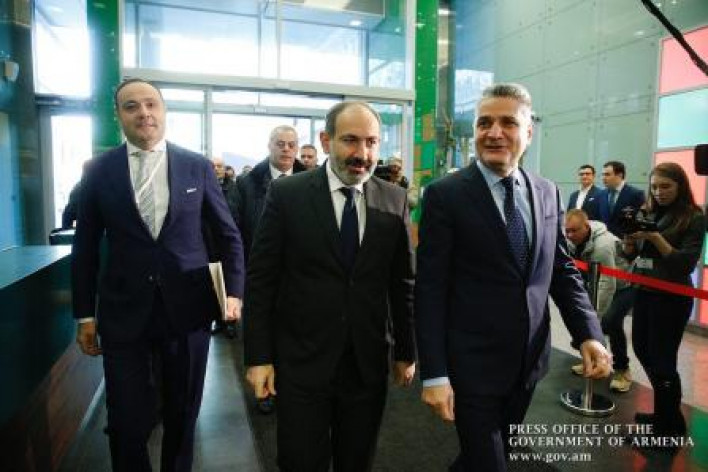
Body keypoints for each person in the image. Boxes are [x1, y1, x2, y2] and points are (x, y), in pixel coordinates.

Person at [415, 83, 611, 472]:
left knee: (492, 453)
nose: (494, 133)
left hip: (528, 362)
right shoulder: (445, 195)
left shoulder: (547, 192)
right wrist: (434, 373)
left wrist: (589, 333)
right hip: (470, 366)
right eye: (484, 123)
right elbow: (430, 289)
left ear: (529, 132)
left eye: (507, 122)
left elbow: (560, 270)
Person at [72, 78, 245, 472]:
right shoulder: (98, 170)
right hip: (123, 313)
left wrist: (234, 292)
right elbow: (85, 247)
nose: (143, 113)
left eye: (151, 104)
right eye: (131, 106)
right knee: (125, 421)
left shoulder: (196, 166)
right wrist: (84, 315)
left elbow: (228, 235)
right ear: (118, 115)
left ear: (164, 110)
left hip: (187, 311)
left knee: (183, 415)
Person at [243, 101, 416, 472]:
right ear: (326, 141)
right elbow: (261, 279)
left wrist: (406, 350)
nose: (363, 153)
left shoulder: (395, 199)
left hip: (366, 362)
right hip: (301, 360)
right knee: (300, 460)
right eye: (350, 140)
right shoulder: (288, 194)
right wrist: (259, 356)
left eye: (371, 142)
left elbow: (402, 282)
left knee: (357, 460)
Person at [621, 162, 705, 447]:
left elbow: (685, 263)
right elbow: (632, 254)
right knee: (643, 350)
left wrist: (655, 237)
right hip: (645, 290)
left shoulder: (693, 217)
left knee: (663, 361)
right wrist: (630, 241)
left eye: (666, 186)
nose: (659, 192)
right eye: (654, 187)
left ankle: (668, 430)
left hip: (671, 297)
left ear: (681, 185)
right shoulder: (650, 211)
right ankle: (665, 416)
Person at [564, 209, 634, 392]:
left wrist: (595, 318)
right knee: (590, 320)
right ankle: (594, 361)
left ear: (586, 227)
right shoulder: (572, 241)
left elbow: (608, 283)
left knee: (610, 322)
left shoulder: (602, 245)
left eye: (574, 231)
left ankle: (622, 370)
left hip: (624, 285)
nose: (570, 235)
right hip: (596, 281)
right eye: (567, 231)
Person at [210, 156, 240, 338]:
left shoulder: (235, 188)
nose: (216, 169)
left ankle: (231, 323)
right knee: (214, 286)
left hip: (229, 245)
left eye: (219, 166)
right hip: (209, 244)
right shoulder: (204, 184)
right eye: (212, 166)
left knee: (230, 284)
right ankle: (218, 320)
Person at [598, 160, 645, 237]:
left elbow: (639, 221)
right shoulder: (601, 194)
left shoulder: (636, 194)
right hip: (605, 240)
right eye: (602, 175)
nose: (603, 178)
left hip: (626, 240)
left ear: (619, 175)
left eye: (607, 175)